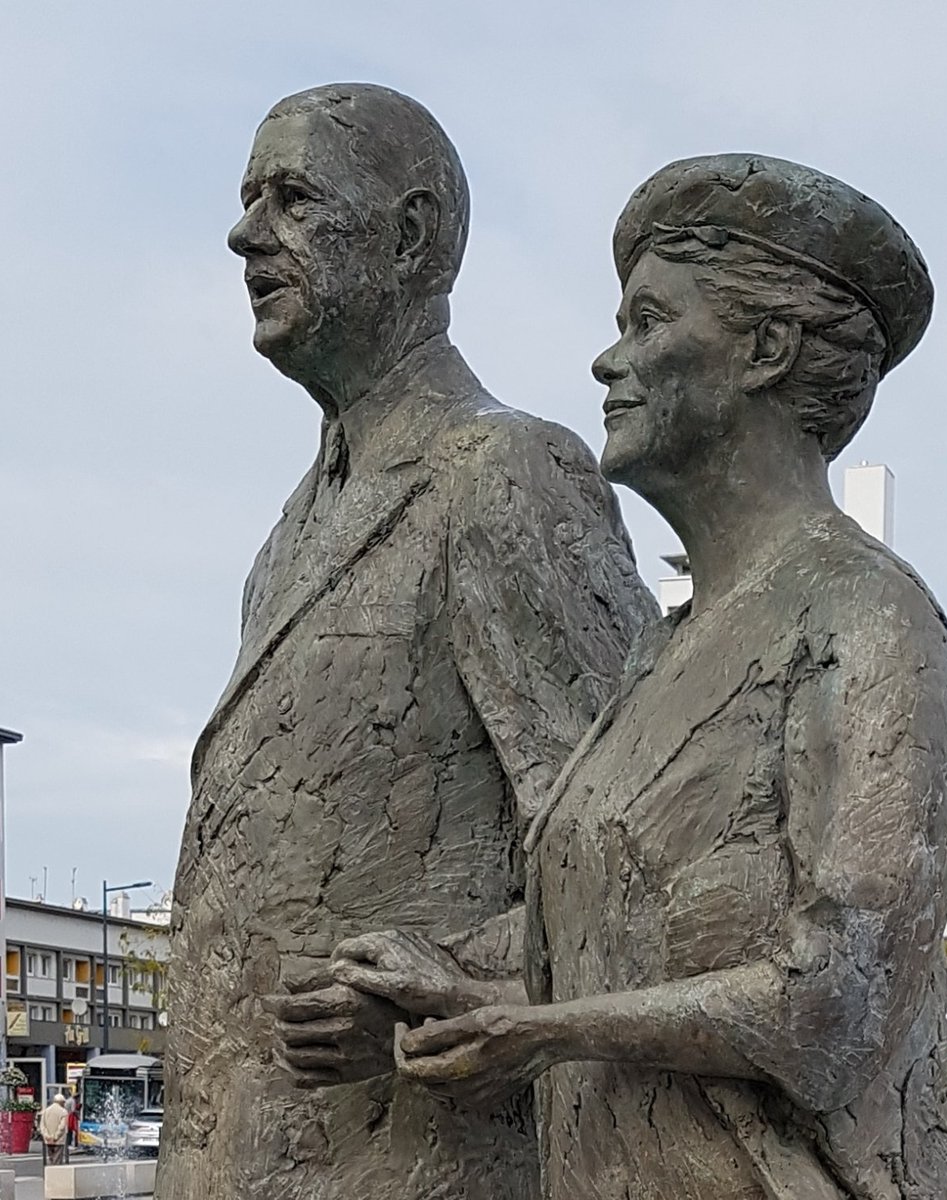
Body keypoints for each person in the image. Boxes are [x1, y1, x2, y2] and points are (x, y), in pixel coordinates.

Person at [366, 155, 947, 1198]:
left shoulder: (868, 616)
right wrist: (441, 975)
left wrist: (540, 1034)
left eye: (648, 321)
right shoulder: (663, 651)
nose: (610, 360)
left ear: (766, 349)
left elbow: (838, 1002)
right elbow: (613, 928)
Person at [157, 84, 656, 1200]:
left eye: (290, 199)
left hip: (407, 1161)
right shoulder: (292, 525)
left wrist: (438, 989)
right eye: (248, 200)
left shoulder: (507, 475)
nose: (246, 233)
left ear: (411, 235)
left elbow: (628, 860)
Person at [38, 1093, 69, 1166]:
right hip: (58, 1140)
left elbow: (42, 1125)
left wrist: (47, 1136)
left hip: (48, 1140)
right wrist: (55, 1137)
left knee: (51, 1158)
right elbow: (62, 1127)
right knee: (57, 1160)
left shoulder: (46, 1111)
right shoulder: (63, 1112)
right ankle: (55, 1175)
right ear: (61, 1102)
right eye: (63, 1102)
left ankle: (50, 1172)